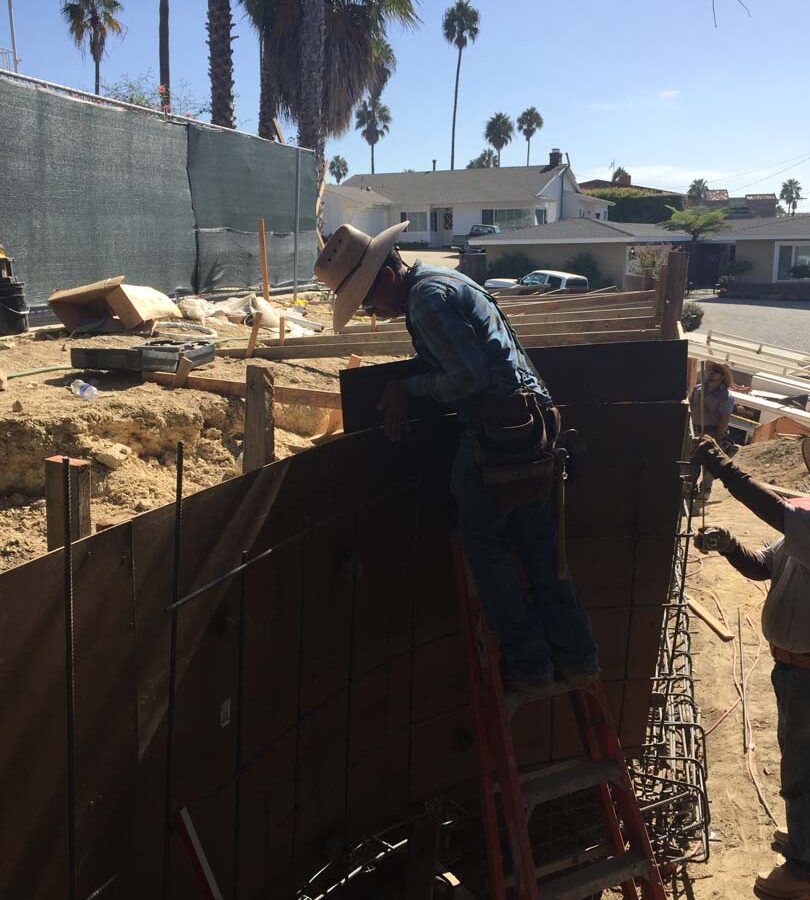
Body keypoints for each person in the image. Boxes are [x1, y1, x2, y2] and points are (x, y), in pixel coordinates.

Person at [315, 221, 598, 693]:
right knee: (539, 545)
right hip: (529, 423)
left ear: (385, 277)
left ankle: (529, 666)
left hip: (499, 432)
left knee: (485, 546)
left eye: (367, 299)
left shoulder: (425, 301)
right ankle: (579, 657)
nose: (372, 312)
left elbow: (467, 378)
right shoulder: (448, 280)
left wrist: (408, 387)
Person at [692, 435, 810, 900]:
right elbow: (767, 565)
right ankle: (806, 840)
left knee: (802, 771)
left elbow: (771, 508)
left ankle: (803, 871)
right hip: (795, 672)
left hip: (806, 675)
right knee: (801, 765)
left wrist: (723, 466)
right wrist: (730, 545)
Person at [689, 361, 734, 499]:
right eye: (712, 370)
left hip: (712, 432)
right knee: (692, 460)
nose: (713, 373)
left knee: (709, 463)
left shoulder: (725, 396)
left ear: (722, 376)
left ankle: (705, 490)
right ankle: (690, 487)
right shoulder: (698, 389)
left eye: (718, 371)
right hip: (695, 429)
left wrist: (719, 435)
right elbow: (690, 404)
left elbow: (724, 418)